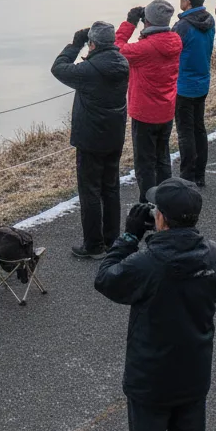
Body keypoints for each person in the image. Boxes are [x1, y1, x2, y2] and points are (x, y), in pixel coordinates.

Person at [95, 178, 216, 431]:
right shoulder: (214, 255)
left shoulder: (147, 262)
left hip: (150, 381)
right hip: (194, 375)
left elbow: (106, 279)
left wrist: (129, 236)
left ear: (162, 217)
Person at [51, 22, 129, 258]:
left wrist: (75, 45)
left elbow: (58, 68)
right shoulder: (122, 63)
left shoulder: (89, 70)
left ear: (92, 44)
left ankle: (93, 245)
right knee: (111, 188)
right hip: (114, 135)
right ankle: (112, 239)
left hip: (91, 138)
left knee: (90, 191)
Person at [116, 1, 183, 198]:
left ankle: (147, 203)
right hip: (166, 109)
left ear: (147, 20)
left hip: (145, 113)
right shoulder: (175, 40)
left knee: (144, 163)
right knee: (162, 158)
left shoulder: (144, 49)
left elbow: (115, 50)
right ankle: (166, 199)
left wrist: (129, 24)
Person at [172, 0, 216, 186]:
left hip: (184, 85)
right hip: (202, 82)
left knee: (185, 131)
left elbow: (170, 52)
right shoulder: (209, 19)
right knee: (199, 128)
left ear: (187, 1)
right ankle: (200, 174)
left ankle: (187, 176)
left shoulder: (183, 26)